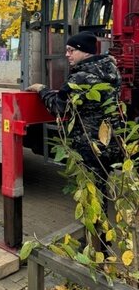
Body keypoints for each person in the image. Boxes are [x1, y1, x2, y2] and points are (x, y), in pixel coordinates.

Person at [27, 30, 123, 207]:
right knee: (102, 184)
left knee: (92, 192)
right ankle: (100, 229)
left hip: (90, 145)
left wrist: (42, 89)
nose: (67, 54)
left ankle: (95, 232)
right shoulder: (111, 70)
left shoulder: (80, 77)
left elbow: (58, 108)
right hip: (110, 140)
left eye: (71, 50)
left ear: (85, 51)